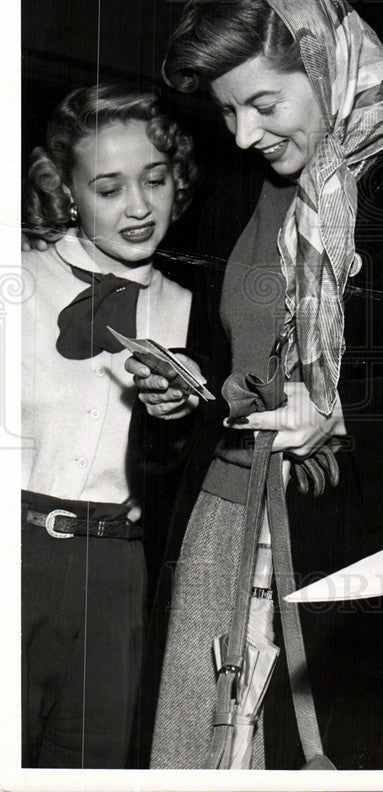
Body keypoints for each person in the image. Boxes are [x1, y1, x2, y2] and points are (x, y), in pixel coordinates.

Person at [128, 0, 383, 769]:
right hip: (229, 537)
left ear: (326, 63)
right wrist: (185, 395)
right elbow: (231, 358)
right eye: (227, 111)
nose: (242, 135)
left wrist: (343, 418)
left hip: (366, 575)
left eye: (264, 104)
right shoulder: (246, 195)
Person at [21, 84, 197, 768]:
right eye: (107, 186)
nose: (137, 207)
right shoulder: (18, 279)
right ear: (65, 191)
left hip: (121, 575)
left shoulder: (191, 311)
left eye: (154, 180)